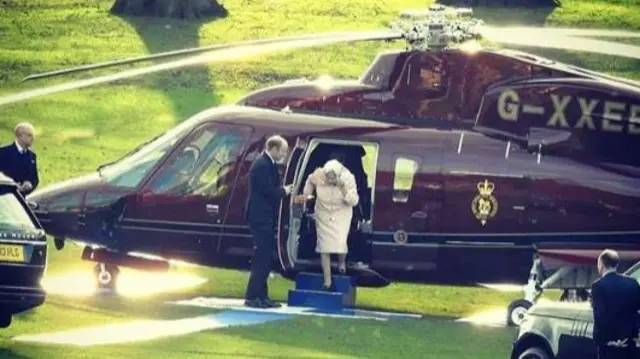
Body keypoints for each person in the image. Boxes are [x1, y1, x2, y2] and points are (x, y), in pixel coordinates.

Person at [295, 158, 359, 290]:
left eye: (332, 178)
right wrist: (306, 195)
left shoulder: (348, 178)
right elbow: (309, 184)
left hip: (341, 212)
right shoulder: (318, 174)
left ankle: (341, 262)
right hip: (323, 211)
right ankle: (327, 280)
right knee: (324, 246)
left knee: (340, 242)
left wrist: (342, 188)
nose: (329, 181)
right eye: (327, 177)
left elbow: (353, 201)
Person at [244, 135, 292, 309]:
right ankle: (252, 296)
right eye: (283, 150)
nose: (284, 154)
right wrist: (284, 191)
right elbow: (268, 192)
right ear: (274, 149)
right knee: (261, 257)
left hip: (264, 217)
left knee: (264, 258)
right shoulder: (262, 165)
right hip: (259, 217)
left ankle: (262, 296)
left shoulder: (268, 164)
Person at [591, 249, 640, 359]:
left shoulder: (598, 286)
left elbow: (599, 316)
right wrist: (633, 335)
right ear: (616, 264)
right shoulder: (632, 283)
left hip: (609, 346)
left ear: (601, 264)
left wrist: (609, 340)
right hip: (629, 343)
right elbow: (637, 310)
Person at [0, 122, 39, 195]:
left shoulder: (32, 156)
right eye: (30, 135)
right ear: (20, 136)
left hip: (20, 200)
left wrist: (29, 184)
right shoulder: (3, 153)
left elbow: (35, 178)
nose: (33, 138)